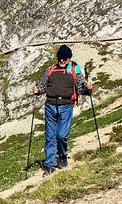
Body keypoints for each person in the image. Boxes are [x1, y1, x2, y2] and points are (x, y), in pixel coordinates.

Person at [31, 45, 93, 174]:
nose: (62, 61)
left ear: (69, 58)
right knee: (50, 136)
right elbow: (42, 86)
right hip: (50, 106)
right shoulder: (51, 69)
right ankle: (49, 165)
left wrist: (88, 89)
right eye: (60, 58)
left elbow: (81, 89)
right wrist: (37, 91)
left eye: (65, 58)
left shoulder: (75, 70)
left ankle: (63, 155)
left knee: (61, 135)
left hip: (66, 106)